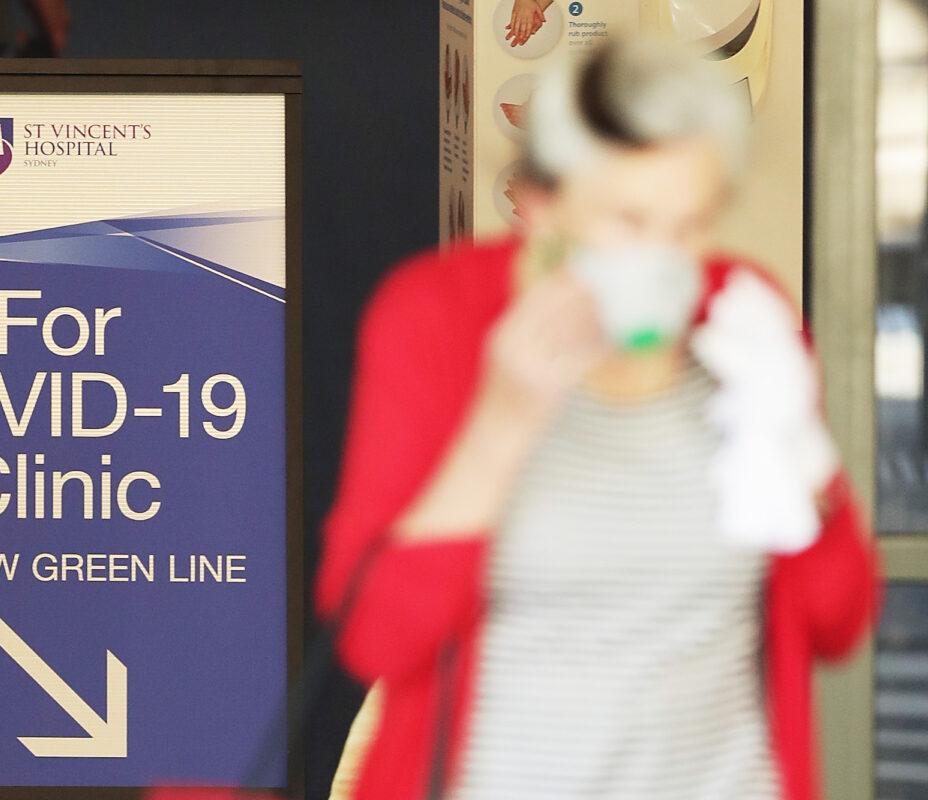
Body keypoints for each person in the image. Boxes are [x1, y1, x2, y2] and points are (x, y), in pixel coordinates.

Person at [315, 38, 880, 800]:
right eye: (628, 221)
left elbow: (838, 622)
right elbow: (375, 636)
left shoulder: (743, 314)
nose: (663, 256)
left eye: (690, 225)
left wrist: (804, 461)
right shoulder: (438, 319)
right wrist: (501, 424)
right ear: (543, 204)